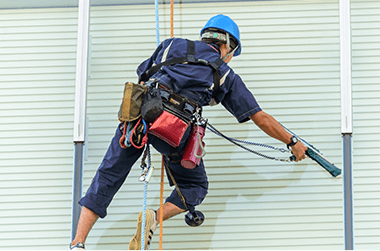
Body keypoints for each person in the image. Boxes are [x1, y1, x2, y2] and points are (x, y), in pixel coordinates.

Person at [67, 14, 307, 251]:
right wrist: (292, 141)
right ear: (227, 46)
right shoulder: (224, 73)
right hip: (174, 131)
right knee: (195, 186)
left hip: (139, 119)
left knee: (108, 176)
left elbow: (144, 74)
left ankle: (77, 243)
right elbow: (260, 118)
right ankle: (153, 216)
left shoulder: (171, 44)